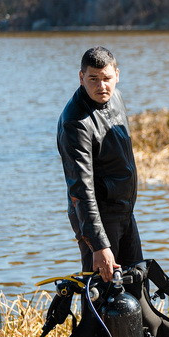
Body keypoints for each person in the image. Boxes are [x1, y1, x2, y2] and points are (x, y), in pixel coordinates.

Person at [57, 47, 143, 283]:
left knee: (136, 283)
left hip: (124, 210)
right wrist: (98, 245)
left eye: (106, 78)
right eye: (93, 79)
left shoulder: (115, 97)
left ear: (117, 74)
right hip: (97, 219)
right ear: (81, 77)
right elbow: (80, 190)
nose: (101, 86)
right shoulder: (75, 123)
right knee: (102, 294)